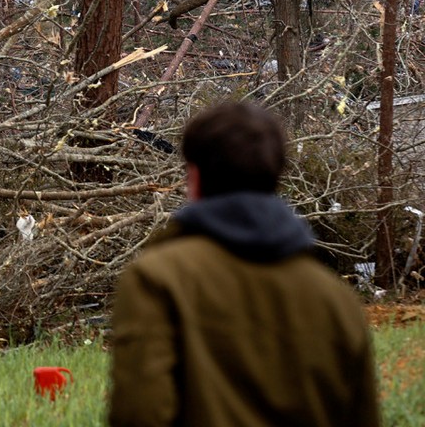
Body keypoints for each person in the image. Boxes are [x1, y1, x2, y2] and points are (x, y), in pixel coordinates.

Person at [109, 101, 379, 426]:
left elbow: (140, 413)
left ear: (194, 177)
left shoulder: (156, 279)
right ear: (275, 177)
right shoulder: (335, 298)